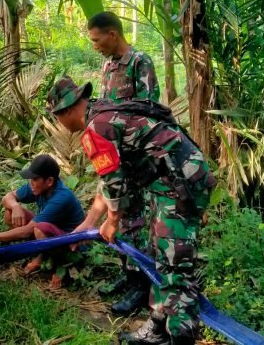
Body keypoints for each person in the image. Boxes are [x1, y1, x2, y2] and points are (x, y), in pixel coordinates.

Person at [47, 76, 213, 345]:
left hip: (178, 183)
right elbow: (108, 181)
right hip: (175, 179)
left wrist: (112, 222)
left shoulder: (96, 128)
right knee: (161, 254)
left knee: (174, 267)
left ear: (66, 111)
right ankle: (159, 328)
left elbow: (114, 184)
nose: (59, 122)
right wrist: (88, 224)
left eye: (56, 116)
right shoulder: (105, 113)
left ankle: (180, 336)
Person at [88, 11, 160, 314]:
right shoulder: (108, 65)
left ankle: (141, 285)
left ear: (113, 34)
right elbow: (106, 108)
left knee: (136, 220)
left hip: (138, 156)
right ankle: (128, 272)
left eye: (97, 40)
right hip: (116, 155)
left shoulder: (140, 62)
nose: (95, 46)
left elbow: (150, 111)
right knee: (121, 215)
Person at [0, 154, 85, 286]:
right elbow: (7, 198)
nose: (31, 183)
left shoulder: (62, 197)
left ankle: (61, 265)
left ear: (49, 181)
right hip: (51, 234)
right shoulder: (37, 187)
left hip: (72, 244)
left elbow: (27, 231)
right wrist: (15, 206)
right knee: (10, 212)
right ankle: (41, 254)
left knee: (40, 229)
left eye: (35, 179)